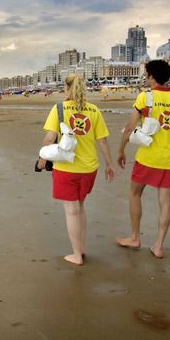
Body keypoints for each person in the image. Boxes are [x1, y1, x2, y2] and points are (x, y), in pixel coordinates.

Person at [116, 60, 170, 259]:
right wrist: (169, 146)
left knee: (134, 193)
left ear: (150, 75)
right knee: (165, 201)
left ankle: (134, 237)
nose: (145, 77)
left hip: (148, 157)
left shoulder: (145, 97)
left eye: (146, 73)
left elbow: (130, 127)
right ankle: (158, 246)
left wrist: (121, 150)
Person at [38, 75, 115, 266]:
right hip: (89, 168)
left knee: (71, 211)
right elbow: (102, 140)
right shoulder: (94, 110)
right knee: (80, 207)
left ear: (66, 87)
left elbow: (49, 139)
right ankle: (81, 248)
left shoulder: (59, 109)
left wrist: (42, 159)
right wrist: (109, 164)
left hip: (67, 168)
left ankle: (76, 255)